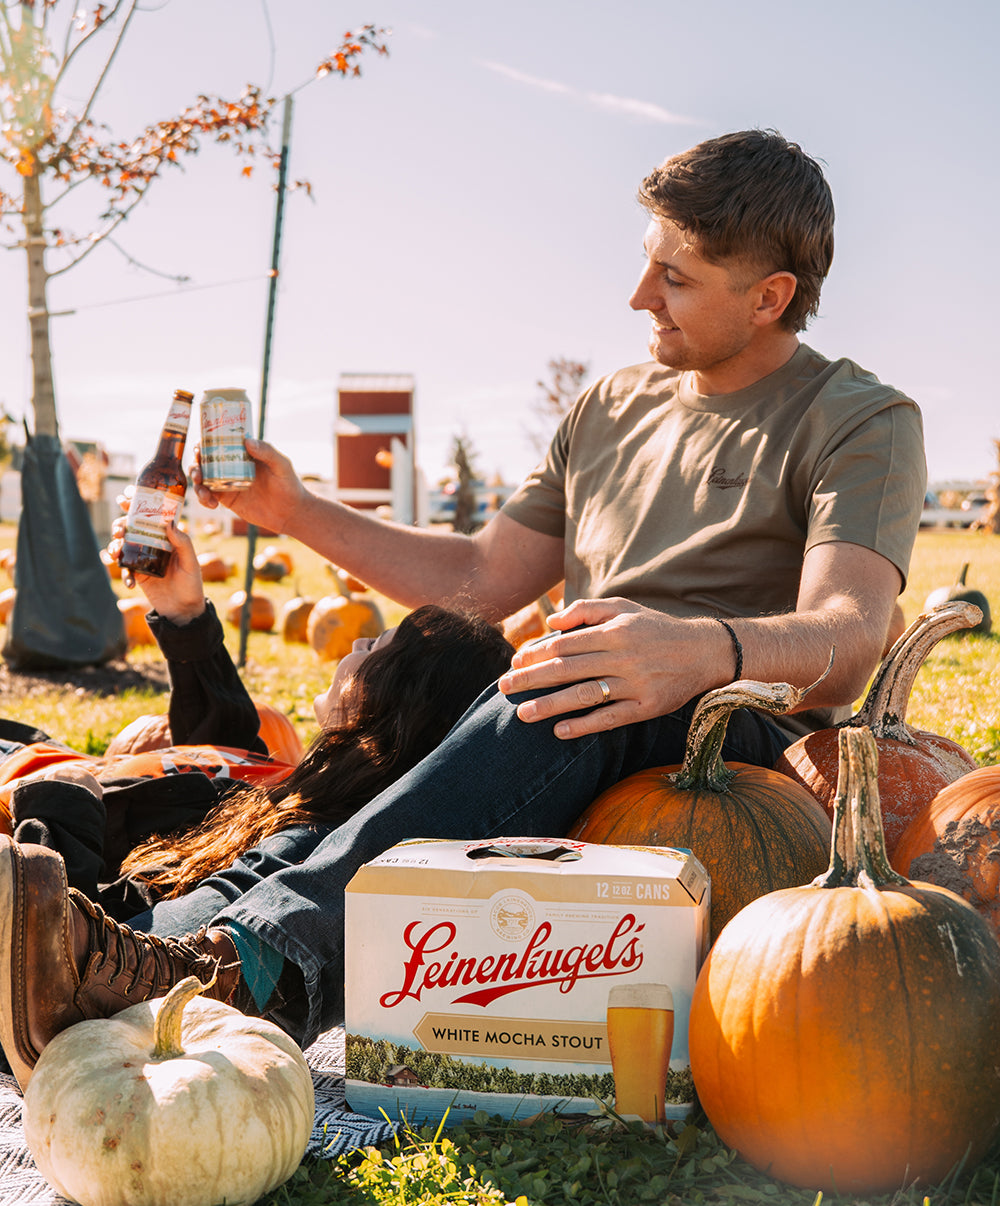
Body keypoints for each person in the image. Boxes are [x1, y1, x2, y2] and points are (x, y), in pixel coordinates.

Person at [0, 129, 927, 1091]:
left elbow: (850, 633)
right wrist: (291, 509)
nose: (639, 295)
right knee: (442, 660)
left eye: (676, 277)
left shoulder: (861, 420)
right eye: (646, 262)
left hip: (732, 750)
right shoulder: (610, 405)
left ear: (769, 296)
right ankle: (127, 951)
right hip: (573, 696)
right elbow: (483, 575)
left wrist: (691, 650)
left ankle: (265, 968)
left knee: (575, 675)